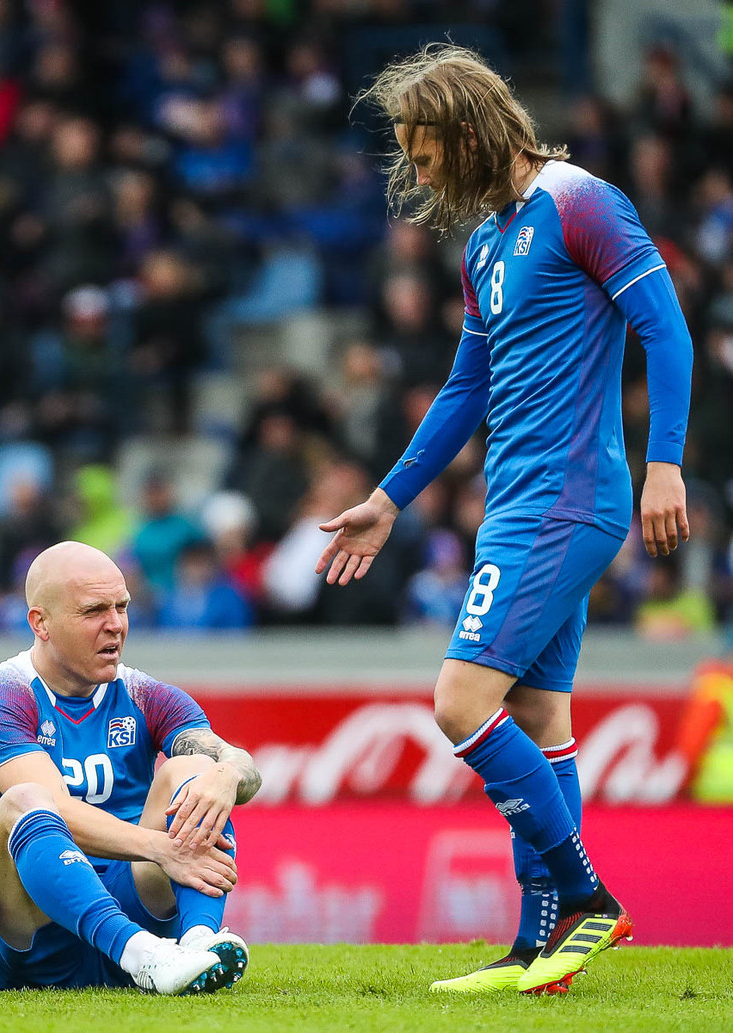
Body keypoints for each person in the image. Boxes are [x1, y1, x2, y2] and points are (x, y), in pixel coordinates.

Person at [316, 45, 692, 995]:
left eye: (427, 154)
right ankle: (538, 948)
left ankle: (589, 897)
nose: (421, 175)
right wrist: (388, 500)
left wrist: (665, 465)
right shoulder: (487, 242)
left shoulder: (581, 201)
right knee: (537, 713)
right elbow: (465, 388)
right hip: (518, 504)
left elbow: (666, 329)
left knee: (459, 700)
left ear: (469, 130)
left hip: (566, 498)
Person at [0, 540, 261, 994]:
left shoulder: (146, 695)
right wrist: (162, 848)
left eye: (122, 606)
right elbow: (57, 810)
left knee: (194, 769)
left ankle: (198, 946)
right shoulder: (0, 697)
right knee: (25, 800)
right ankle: (143, 955)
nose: (115, 624)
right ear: (41, 623)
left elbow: (237, 763)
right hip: (26, 939)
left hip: (131, 897)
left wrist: (226, 776)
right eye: (94, 611)